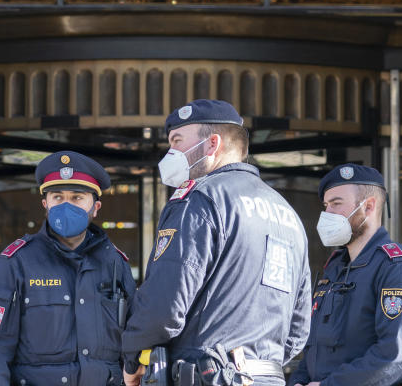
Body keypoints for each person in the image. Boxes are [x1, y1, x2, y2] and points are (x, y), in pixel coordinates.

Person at [122, 99, 311, 386]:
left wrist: (133, 358)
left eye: (177, 141)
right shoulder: (288, 215)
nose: (171, 152)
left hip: (209, 375)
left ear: (212, 144)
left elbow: (165, 304)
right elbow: (297, 331)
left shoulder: (200, 200)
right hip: (266, 377)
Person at [0, 150, 136, 386]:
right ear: (45, 204)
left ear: (95, 207)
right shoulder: (16, 263)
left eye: (77, 198)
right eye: (58, 197)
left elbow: (133, 341)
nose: (66, 205)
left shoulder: (115, 263)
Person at [289, 164, 402, 386]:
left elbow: (394, 357)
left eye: (336, 204)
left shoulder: (397, 267)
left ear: (369, 206)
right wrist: (299, 380)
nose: (327, 214)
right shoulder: (334, 268)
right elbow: (315, 348)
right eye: (326, 205)